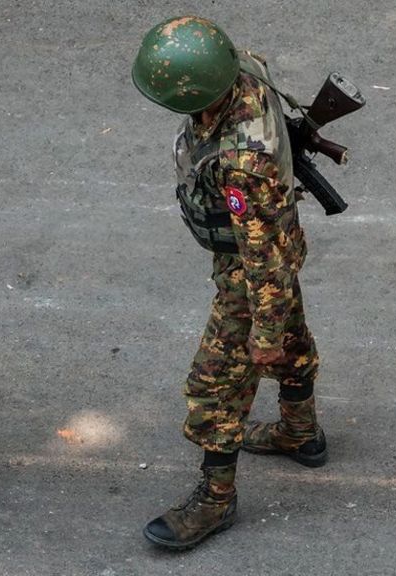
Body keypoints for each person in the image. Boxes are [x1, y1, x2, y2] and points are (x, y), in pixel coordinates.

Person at [131, 17, 328, 550]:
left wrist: (262, 333)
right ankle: (300, 432)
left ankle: (215, 501)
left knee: (215, 385)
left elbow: (262, 260)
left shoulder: (244, 164)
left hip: (253, 269)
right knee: (290, 332)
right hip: (274, 244)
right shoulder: (239, 66)